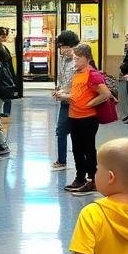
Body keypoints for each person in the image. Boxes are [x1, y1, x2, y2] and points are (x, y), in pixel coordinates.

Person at [65, 42, 113, 197]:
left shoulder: (92, 74)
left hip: (87, 118)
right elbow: (76, 92)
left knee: (88, 149)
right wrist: (64, 95)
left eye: (77, 58)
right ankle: (80, 177)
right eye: (74, 58)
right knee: (77, 149)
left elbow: (105, 94)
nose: (75, 62)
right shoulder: (76, 73)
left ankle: (93, 179)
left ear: (86, 58)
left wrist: (88, 104)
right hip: (74, 116)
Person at [50, 29, 80, 172]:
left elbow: (80, 83)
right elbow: (62, 78)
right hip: (64, 101)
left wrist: (66, 92)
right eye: (60, 47)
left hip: (78, 102)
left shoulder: (79, 60)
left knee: (78, 135)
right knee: (61, 130)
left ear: (72, 46)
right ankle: (61, 161)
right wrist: (58, 89)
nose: (62, 50)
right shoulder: (62, 59)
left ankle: (84, 168)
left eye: (64, 47)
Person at [0, 27, 18, 119]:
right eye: (3, 36)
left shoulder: (3, 47)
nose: (5, 38)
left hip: (6, 72)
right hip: (2, 73)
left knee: (7, 92)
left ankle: (6, 112)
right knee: (4, 93)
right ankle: (4, 112)